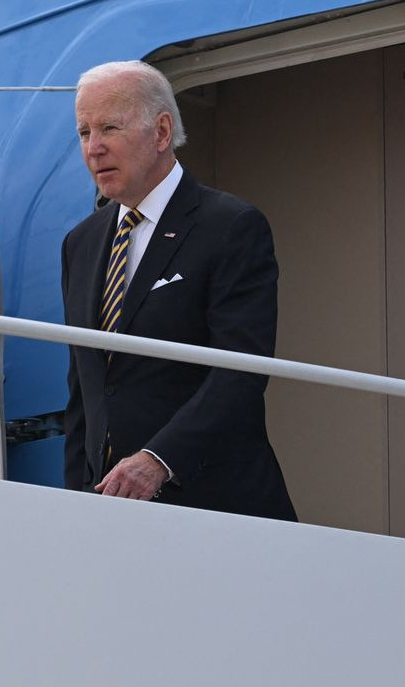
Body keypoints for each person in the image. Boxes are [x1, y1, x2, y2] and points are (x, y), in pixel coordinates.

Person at [60, 60, 296, 520]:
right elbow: (84, 389)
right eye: (84, 132)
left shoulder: (230, 226)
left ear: (162, 132)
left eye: (109, 127)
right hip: (110, 511)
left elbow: (241, 371)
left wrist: (158, 460)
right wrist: (77, 500)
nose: (94, 148)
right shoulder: (80, 244)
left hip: (215, 503)